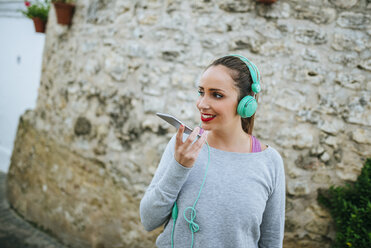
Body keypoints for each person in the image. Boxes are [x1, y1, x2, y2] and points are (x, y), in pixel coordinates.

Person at [140, 55, 286, 248]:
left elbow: (271, 242)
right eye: (201, 92)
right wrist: (179, 167)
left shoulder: (270, 162)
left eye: (217, 94)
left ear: (246, 104)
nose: (202, 104)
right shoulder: (184, 145)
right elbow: (149, 220)